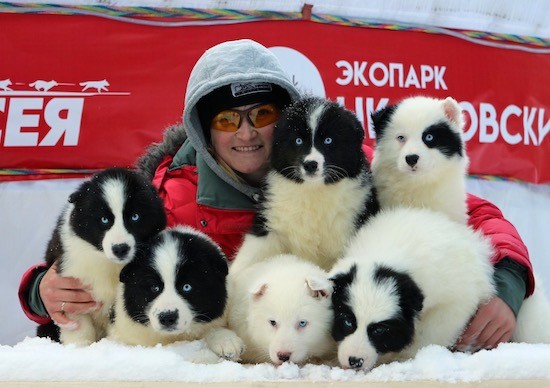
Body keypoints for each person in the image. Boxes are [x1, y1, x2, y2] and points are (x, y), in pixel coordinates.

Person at [19, 39, 534, 353]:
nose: (247, 133)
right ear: (203, 130)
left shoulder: (342, 166)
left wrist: (507, 283)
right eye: (226, 119)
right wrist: (43, 290)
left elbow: (471, 216)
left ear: (284, 118)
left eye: (262, 115)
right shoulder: (169, 195)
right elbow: (99, 262)